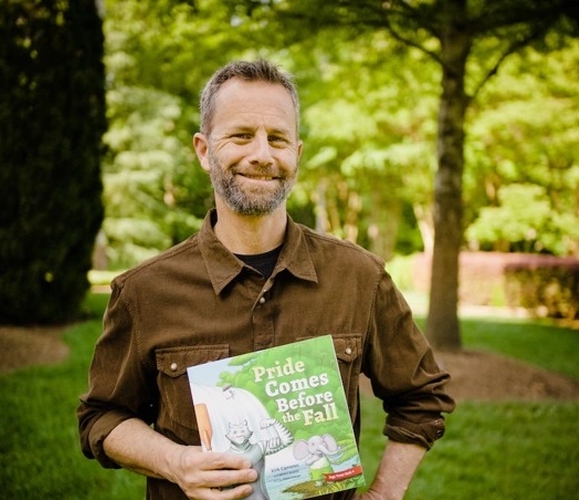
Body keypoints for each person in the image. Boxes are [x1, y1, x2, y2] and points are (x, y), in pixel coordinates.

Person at [77, 59, 455, 500]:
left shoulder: (359, 277)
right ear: (203, 150)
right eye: (241, 135)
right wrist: (175, 463)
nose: (261, 154)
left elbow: (422, 396)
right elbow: (101, 417)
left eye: (277, 138)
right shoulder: (144, 292)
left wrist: (384, 494)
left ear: (296, 153)